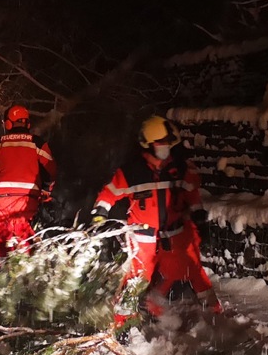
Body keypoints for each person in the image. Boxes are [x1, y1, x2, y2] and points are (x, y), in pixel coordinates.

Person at [92, 115, 221, 331]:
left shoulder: (180, 168)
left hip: (175, 234)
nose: (165, 148)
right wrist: (99, 216)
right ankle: (121, 326)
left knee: (192, 271)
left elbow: (192, 195)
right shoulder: (131, 172)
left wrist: (200, 220)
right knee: (135, 281)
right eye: (161, 143)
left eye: (168, 144)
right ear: (148, 145)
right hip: (143, 238)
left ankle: (215, 316)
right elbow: (108, 194)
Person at [0, 104, 57, 258]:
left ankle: (1, 274)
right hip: (28, 200)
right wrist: (45, 189)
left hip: (2, 201)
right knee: (26, 240)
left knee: (2, 242)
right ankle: (26, 276)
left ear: (8, 123)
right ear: (27, 124)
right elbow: (51, 170)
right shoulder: (37, 143)